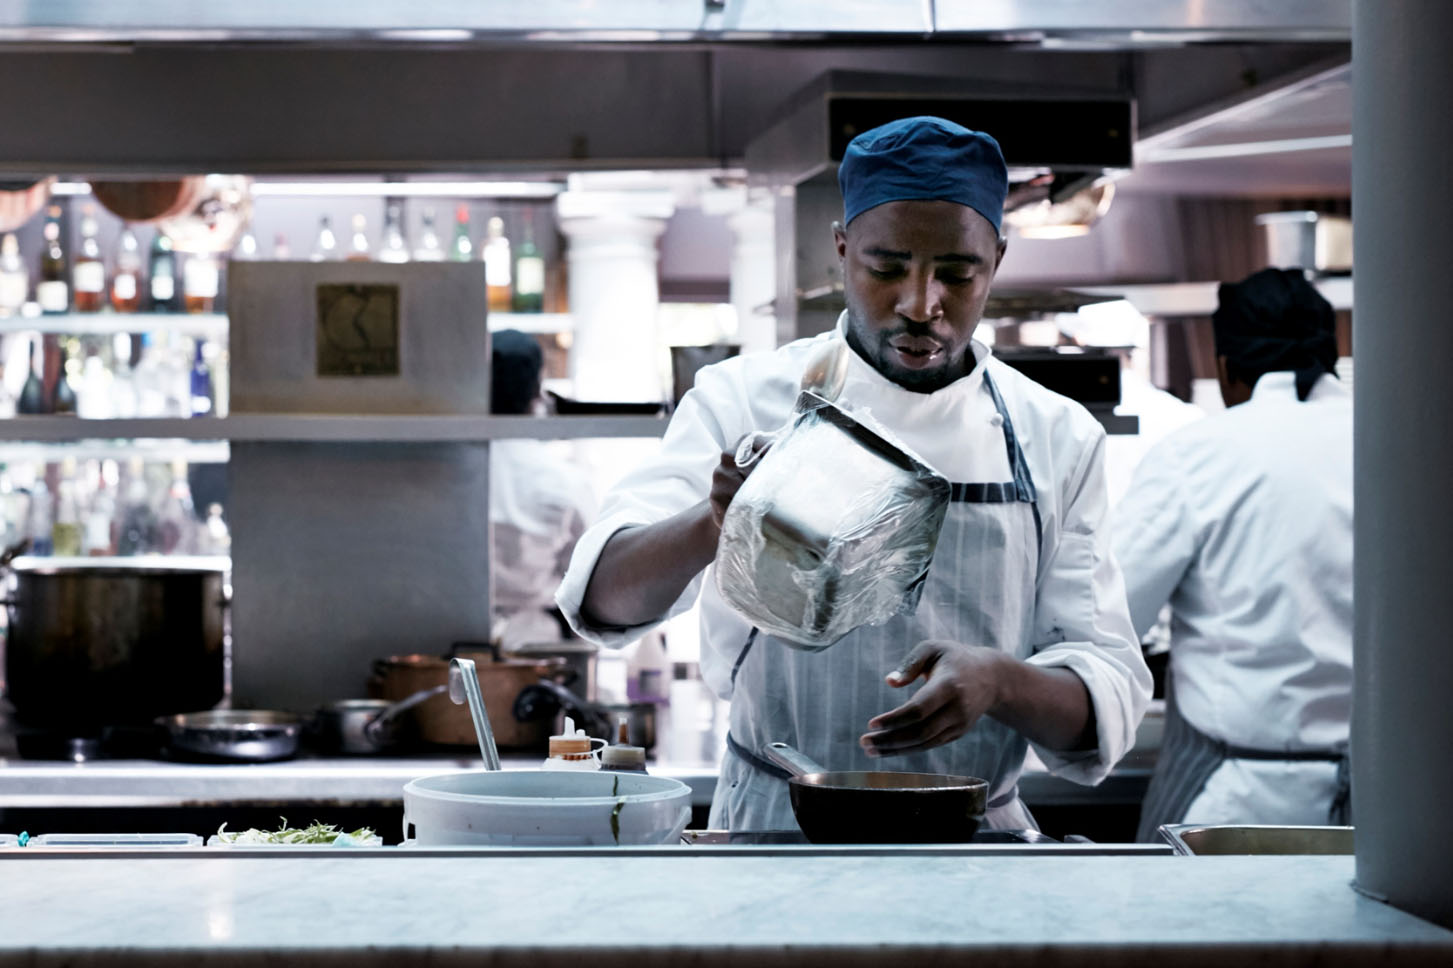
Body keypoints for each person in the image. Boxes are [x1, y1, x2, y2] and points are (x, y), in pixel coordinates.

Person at [556, 117, 1151, 832]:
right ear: (841, 250)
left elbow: (1103, 694)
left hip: (974, 848)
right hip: (777, 828)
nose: (920, 304)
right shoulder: (741, 399)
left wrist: (999, 681)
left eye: (957, 274)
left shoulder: (1055, 437)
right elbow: (604, 599)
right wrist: (713, 523)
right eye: (886, 268)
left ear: (996, 257)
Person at [1112, 268, 1353, 840]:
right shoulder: (1402, 445)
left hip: (1229, 804)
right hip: (1385, 798)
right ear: (1330, 353)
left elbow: (1109, 615)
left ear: (1225, 370)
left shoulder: (1196, 455)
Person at [489, 329, 597, 650]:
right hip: (536, 645)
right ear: (537, 391)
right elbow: (587, 574)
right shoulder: (561, 478)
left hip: (452, 638)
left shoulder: (451, 470)